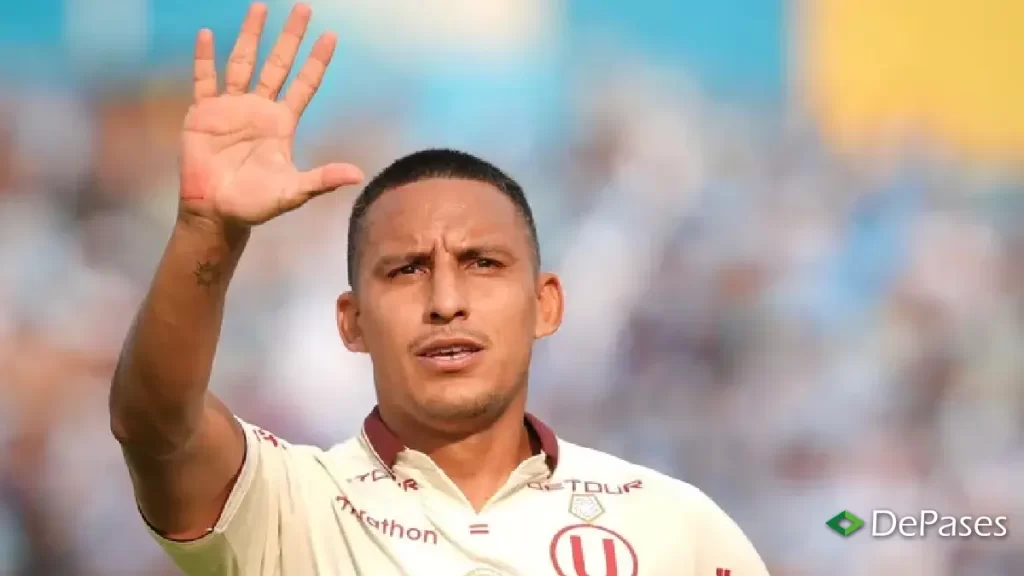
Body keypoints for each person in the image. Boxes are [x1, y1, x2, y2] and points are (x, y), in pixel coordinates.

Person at [108, 3, 772, 575]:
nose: (446, 301)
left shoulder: (674, 526)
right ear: (351, 322)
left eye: (482, 263)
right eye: (406, 270)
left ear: (546, 304)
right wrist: (207, 231)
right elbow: (155, 427)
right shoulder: (290, 507)